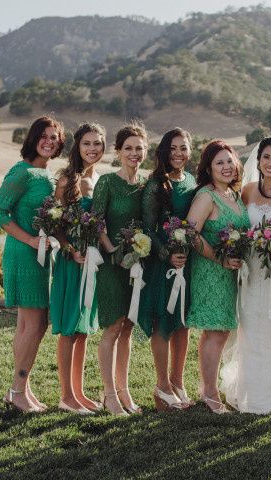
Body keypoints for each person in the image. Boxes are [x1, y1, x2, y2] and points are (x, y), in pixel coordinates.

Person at [221, 136, 271, 414]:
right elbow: (238, 227)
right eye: (266, 157)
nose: (270, 163)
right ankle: (248, 393)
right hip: (250, 271)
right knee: (249, 328)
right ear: (258, 160)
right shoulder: (246, 192)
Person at [0, 115, 65, 413]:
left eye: (54, 138)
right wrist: (31, 241)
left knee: (26, 325)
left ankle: (20, 389)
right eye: (44, 136)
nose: (49, 142)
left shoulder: (47, 175)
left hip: (42, 255)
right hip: (24, 254)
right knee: (35, 324)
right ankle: (17, 390)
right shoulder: (22, 173)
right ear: (33, 139)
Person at [186, 140, 250, 414]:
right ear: (209, 169)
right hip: (211, 270)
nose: (226, 167)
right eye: (219, 163)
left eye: (229, 161)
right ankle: (210, 393)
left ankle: (207, 388)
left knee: (222, 330)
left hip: (231, 272)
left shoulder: (234, 195)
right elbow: (190, 233)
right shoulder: (206, 196)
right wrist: (218, 258)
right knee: (215, 331)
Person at [138, 128, 196, 411]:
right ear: (163, 150)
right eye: (172, 148)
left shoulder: (192, 181)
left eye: (183, 148)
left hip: (187, 262)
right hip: (162, 264)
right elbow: (148, 228)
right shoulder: (154, 185)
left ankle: (178, 381)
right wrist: (166, 255)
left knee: (182, 323)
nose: (178, 154)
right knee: (163, 321)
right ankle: (161, 386)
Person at [50, 123, 105, 415]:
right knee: (70, 329)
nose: (92, 148)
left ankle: (80, 392)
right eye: (87, 143)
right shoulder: (66, 179)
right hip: (73, 263)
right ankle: (66, 396)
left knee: (83, 330)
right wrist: (70, 250)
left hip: (92, 264)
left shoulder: (100, 179)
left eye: (97, 143)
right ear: (77, 146)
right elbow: (54, 224)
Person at [92, 123, 147, 415]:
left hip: (136, 265)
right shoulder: (107, 183)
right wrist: (112, 249)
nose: (134, 153)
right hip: (112, 265)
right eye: (128, 148)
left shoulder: (145, 184)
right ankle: (109, 395)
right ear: (117, 152)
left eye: (139, 148)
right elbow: (97, 221)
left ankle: (124, 392)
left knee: (127, 327)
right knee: (113, 326)